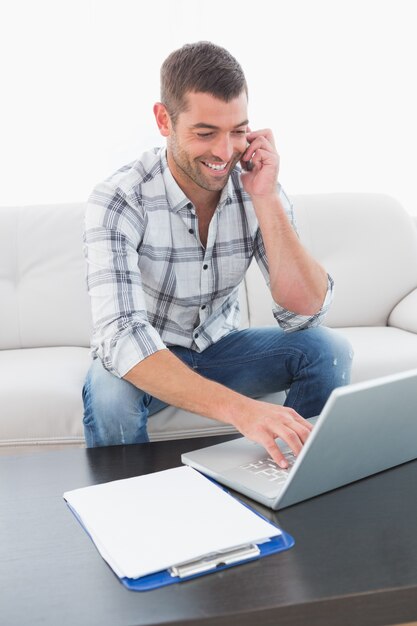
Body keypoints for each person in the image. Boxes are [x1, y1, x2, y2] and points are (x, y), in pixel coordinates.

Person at [83, 41, 352, 468]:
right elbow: (123, 337)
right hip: (149, 358)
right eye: (206, 133)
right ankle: (128, 510)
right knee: (109, 394)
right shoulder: (119, 200)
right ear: (163, 120)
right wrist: (242, 411)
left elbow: (305, 312)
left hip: (220, 347)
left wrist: (265, 199)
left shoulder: (256, 184)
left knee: (324, 348)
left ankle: (292, 479)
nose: (225, 152)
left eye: (238, 131)